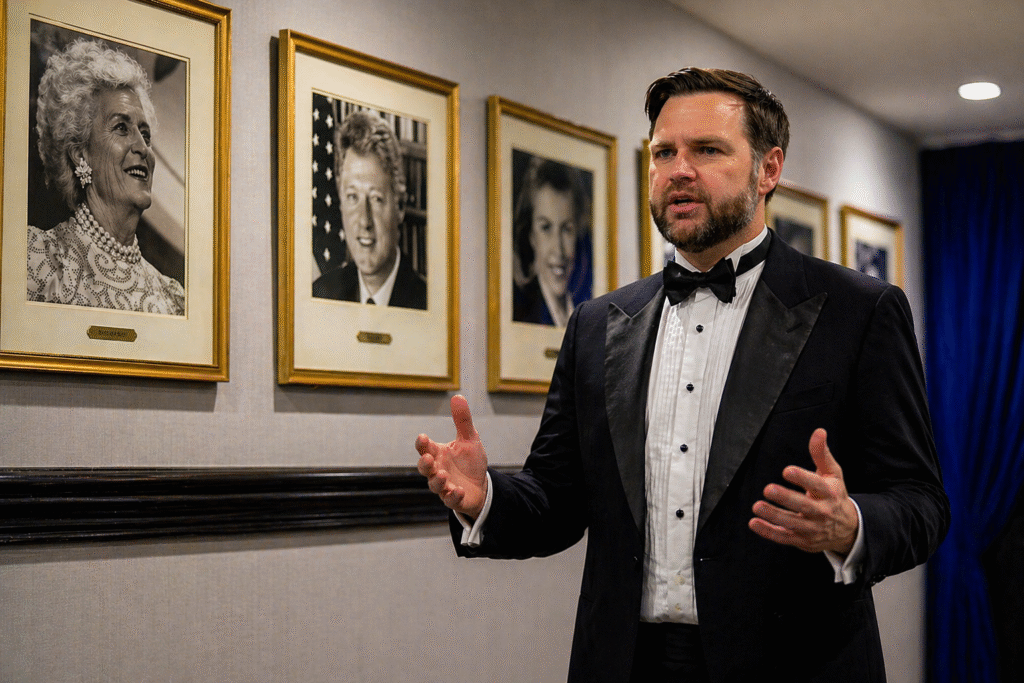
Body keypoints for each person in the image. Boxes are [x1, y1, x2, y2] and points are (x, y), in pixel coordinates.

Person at [416, 67, 949, 682]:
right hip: (624, 662)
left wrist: (852, 523)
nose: (679, 170)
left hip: (795, 663)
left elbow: (922, 503)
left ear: (768, 169)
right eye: (664, 152)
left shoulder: (858, 311)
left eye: (707, 150)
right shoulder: (598, 323)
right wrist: (487, 500)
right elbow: (558, 501)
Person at [28, 39, 184, 314]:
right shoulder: (35, 259)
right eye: (121, 128)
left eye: (145, 134)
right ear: (80, 153)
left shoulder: (173, 299)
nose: (142, 148)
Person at [312, 111, 427, 309]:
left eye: (376, 199)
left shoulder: (426, 301)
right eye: (353, 197)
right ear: (340, 202)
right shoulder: (322, 294)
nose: (364, 221)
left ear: (399, 207)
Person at [512, 155, 590, 326]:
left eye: (567, 229)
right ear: (531, 235)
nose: (559, 249)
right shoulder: (522, 312)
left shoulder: (587, 313)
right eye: (546, 227)